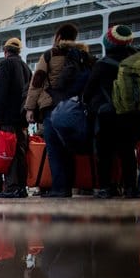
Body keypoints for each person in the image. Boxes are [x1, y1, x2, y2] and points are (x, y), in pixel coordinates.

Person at [25, 23, 91, 197]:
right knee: (69, 149)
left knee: (54, 149)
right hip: (73, 108)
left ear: (58, 37)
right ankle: (68, 185)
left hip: (52, 106)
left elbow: (37, 82)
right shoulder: (82, 55)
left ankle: (60, 188)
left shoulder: (50, 55)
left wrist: (30, 107)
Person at [83, 25, 140, 199]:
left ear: (108, 43)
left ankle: (107, 187)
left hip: (108, 115)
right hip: (132, 114)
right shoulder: (136, 62)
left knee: (104, 153)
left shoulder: (103, 65)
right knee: (128, 152)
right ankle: (131, 188)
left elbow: (88, 91)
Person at [0, 37, 33, 198]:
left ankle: (12, 187)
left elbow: (0, 92)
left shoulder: (5, 64)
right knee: (21, 151)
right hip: (22, 117)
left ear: (5, 51)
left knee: (9, 151)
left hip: (8, 117)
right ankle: (21, 186)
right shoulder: (26, 67)